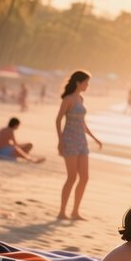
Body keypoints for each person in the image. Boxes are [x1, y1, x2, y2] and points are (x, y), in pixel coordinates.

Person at [56, 70, 102, 221]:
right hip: (69, 140)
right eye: (86, 82)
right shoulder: (68, 99)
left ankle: (75, 211)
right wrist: (60, 140)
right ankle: (62, 211)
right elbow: (58, 120)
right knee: (72, 177)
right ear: (78, 82)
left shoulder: (80, 99)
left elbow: (83, 123)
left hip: (82, 141)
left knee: (85, 177)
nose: (88, 85)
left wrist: (95, 138)